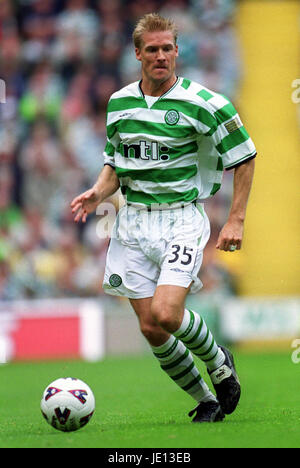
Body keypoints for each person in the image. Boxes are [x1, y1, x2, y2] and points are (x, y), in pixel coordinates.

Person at [71, 13, 256, 423]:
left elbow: (244, 156)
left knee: (167, 315)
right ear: (137, 53)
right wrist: (97, 192)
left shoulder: (205, 103)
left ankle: (218, 358)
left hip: (180, 219)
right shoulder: (118, 103)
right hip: (132, 222)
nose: (160, 56)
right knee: (152, 330)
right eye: (151, 49)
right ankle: (207, 400)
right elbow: (114, 164)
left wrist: (236, 219)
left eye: (167, 48)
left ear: (177, 51)